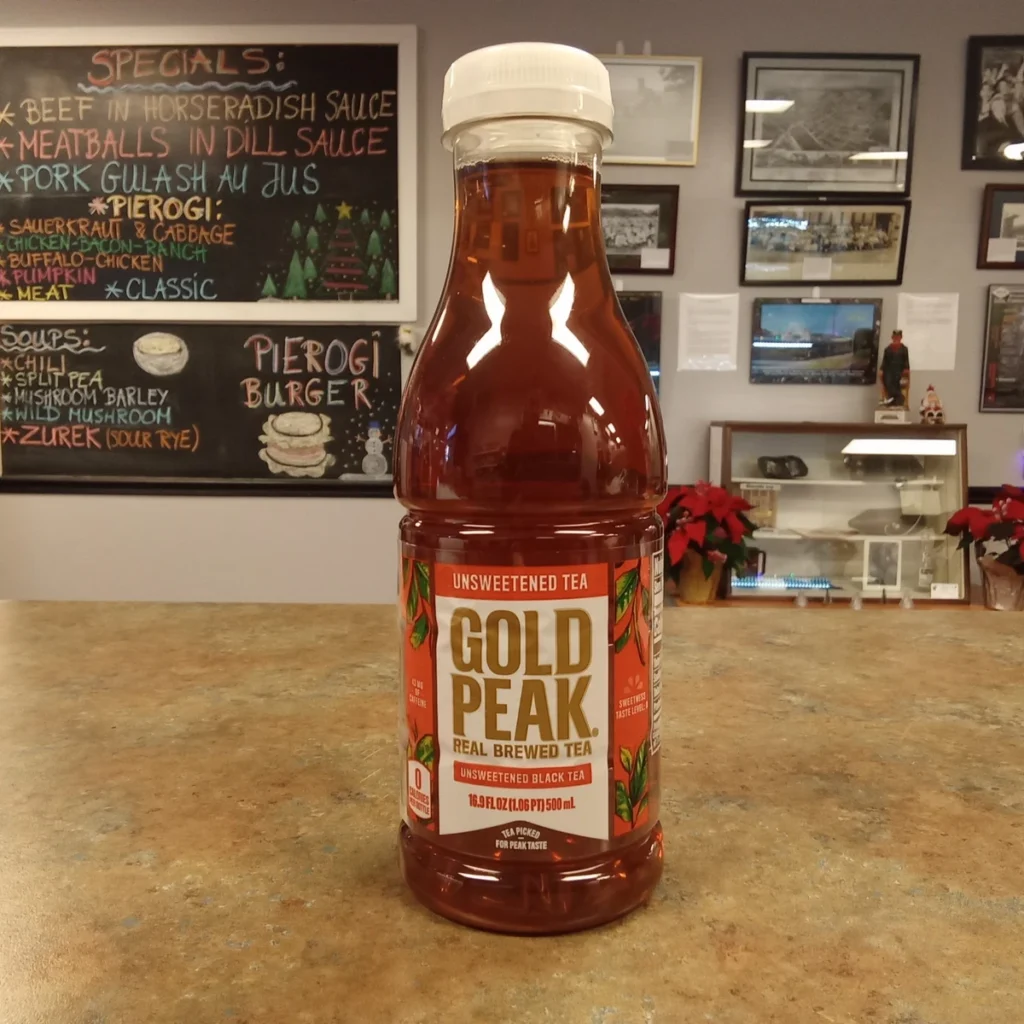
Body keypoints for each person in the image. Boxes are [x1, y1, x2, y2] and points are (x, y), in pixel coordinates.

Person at [879, 329, 910, 407]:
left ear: (901, 337)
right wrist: (881, 369)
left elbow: (906, 361)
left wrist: (906, 369)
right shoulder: (887, 349)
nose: (896, 339)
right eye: (895, 337)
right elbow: (884, 361)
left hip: (900, 370)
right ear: (892, 337)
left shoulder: (904, 349)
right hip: (889, 370)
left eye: (898, 337)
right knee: (888, 379)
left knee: (898, 380)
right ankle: (898, 398)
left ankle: (893, 399)